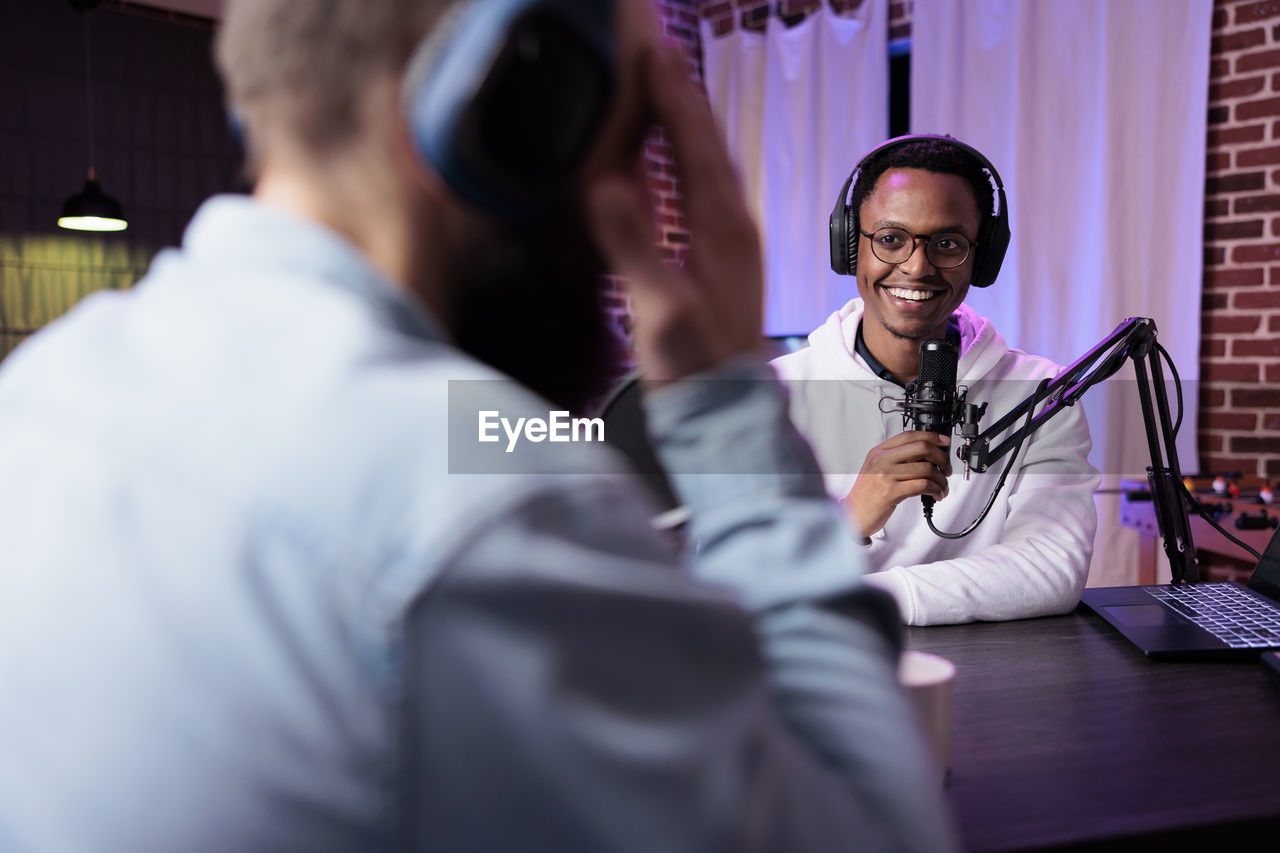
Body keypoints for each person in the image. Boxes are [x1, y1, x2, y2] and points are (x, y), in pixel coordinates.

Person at [0, 2, 957, 851]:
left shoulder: (41, 388)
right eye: (630, 136)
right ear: (509, 118)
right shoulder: (492, 520)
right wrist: (730, 406)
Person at [772, 135, 1100, 627]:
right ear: (849, 245)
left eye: (947, 243)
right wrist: (850, 517)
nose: (917, 266)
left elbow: (1050, 568)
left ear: (982, 256)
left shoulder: (1041, 395)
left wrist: (843, 597)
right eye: (890, 238)